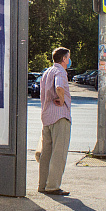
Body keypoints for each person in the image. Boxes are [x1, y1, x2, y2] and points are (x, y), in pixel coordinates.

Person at [38, 47, 73, 196]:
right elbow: (59, 86)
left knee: (46, 154)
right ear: (64, 59)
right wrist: (62, 98)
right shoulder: (60, 72)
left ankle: (42, 184)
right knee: (59, 153)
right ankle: (53, 186)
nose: (69, 60)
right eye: (69, 57)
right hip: (60, 117)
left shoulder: (47, 72)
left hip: (47, 117)